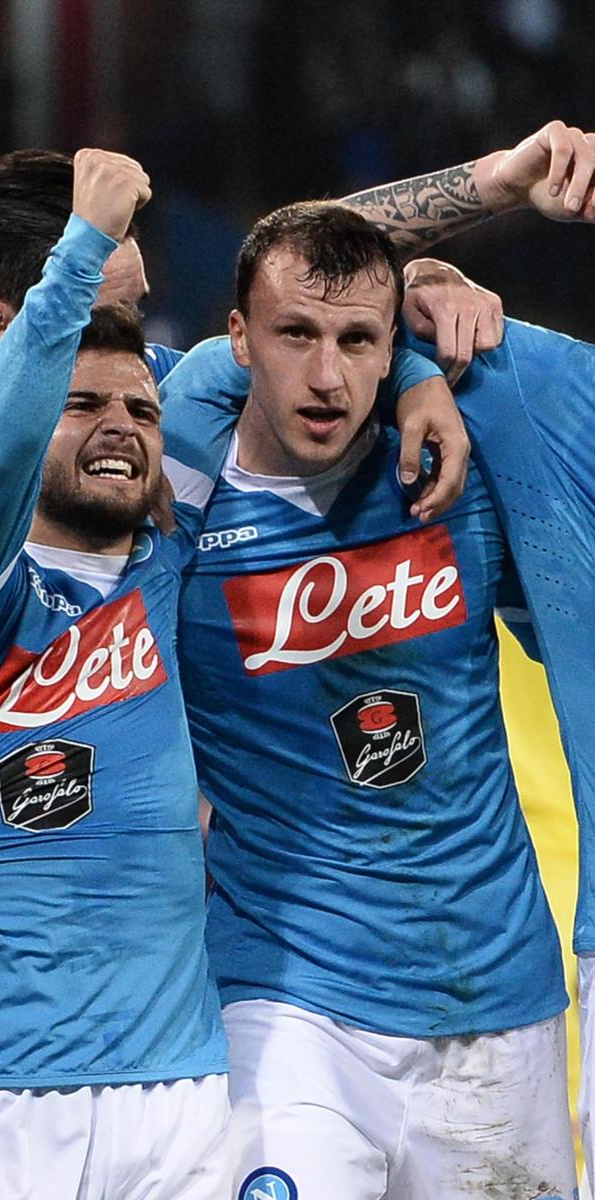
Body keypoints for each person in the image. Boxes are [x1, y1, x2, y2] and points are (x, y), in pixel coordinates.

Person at [0, 152, 468, 1199]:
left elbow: (294, 284)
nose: (145, 354)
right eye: (112, 306)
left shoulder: (139, 447)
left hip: (139, 1023)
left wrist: (429, 327)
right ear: (8, 326)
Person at [155, 200, 578, 1199]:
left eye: (356, 342)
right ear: (237, 341)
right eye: (294, 335)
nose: (325, 374)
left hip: (495, 1003)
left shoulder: (459, 478)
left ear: (391, 348)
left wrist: (429, 333)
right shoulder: (177, 507)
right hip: (286, 1004)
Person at [0, 149, 239, 1199]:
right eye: (81, 404)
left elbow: (293, 303)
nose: (122, 424)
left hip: (182, 1085)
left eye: (144, 412)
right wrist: (82, 246)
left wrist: (421, 349)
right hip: (1, 1088)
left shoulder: (163, 567)